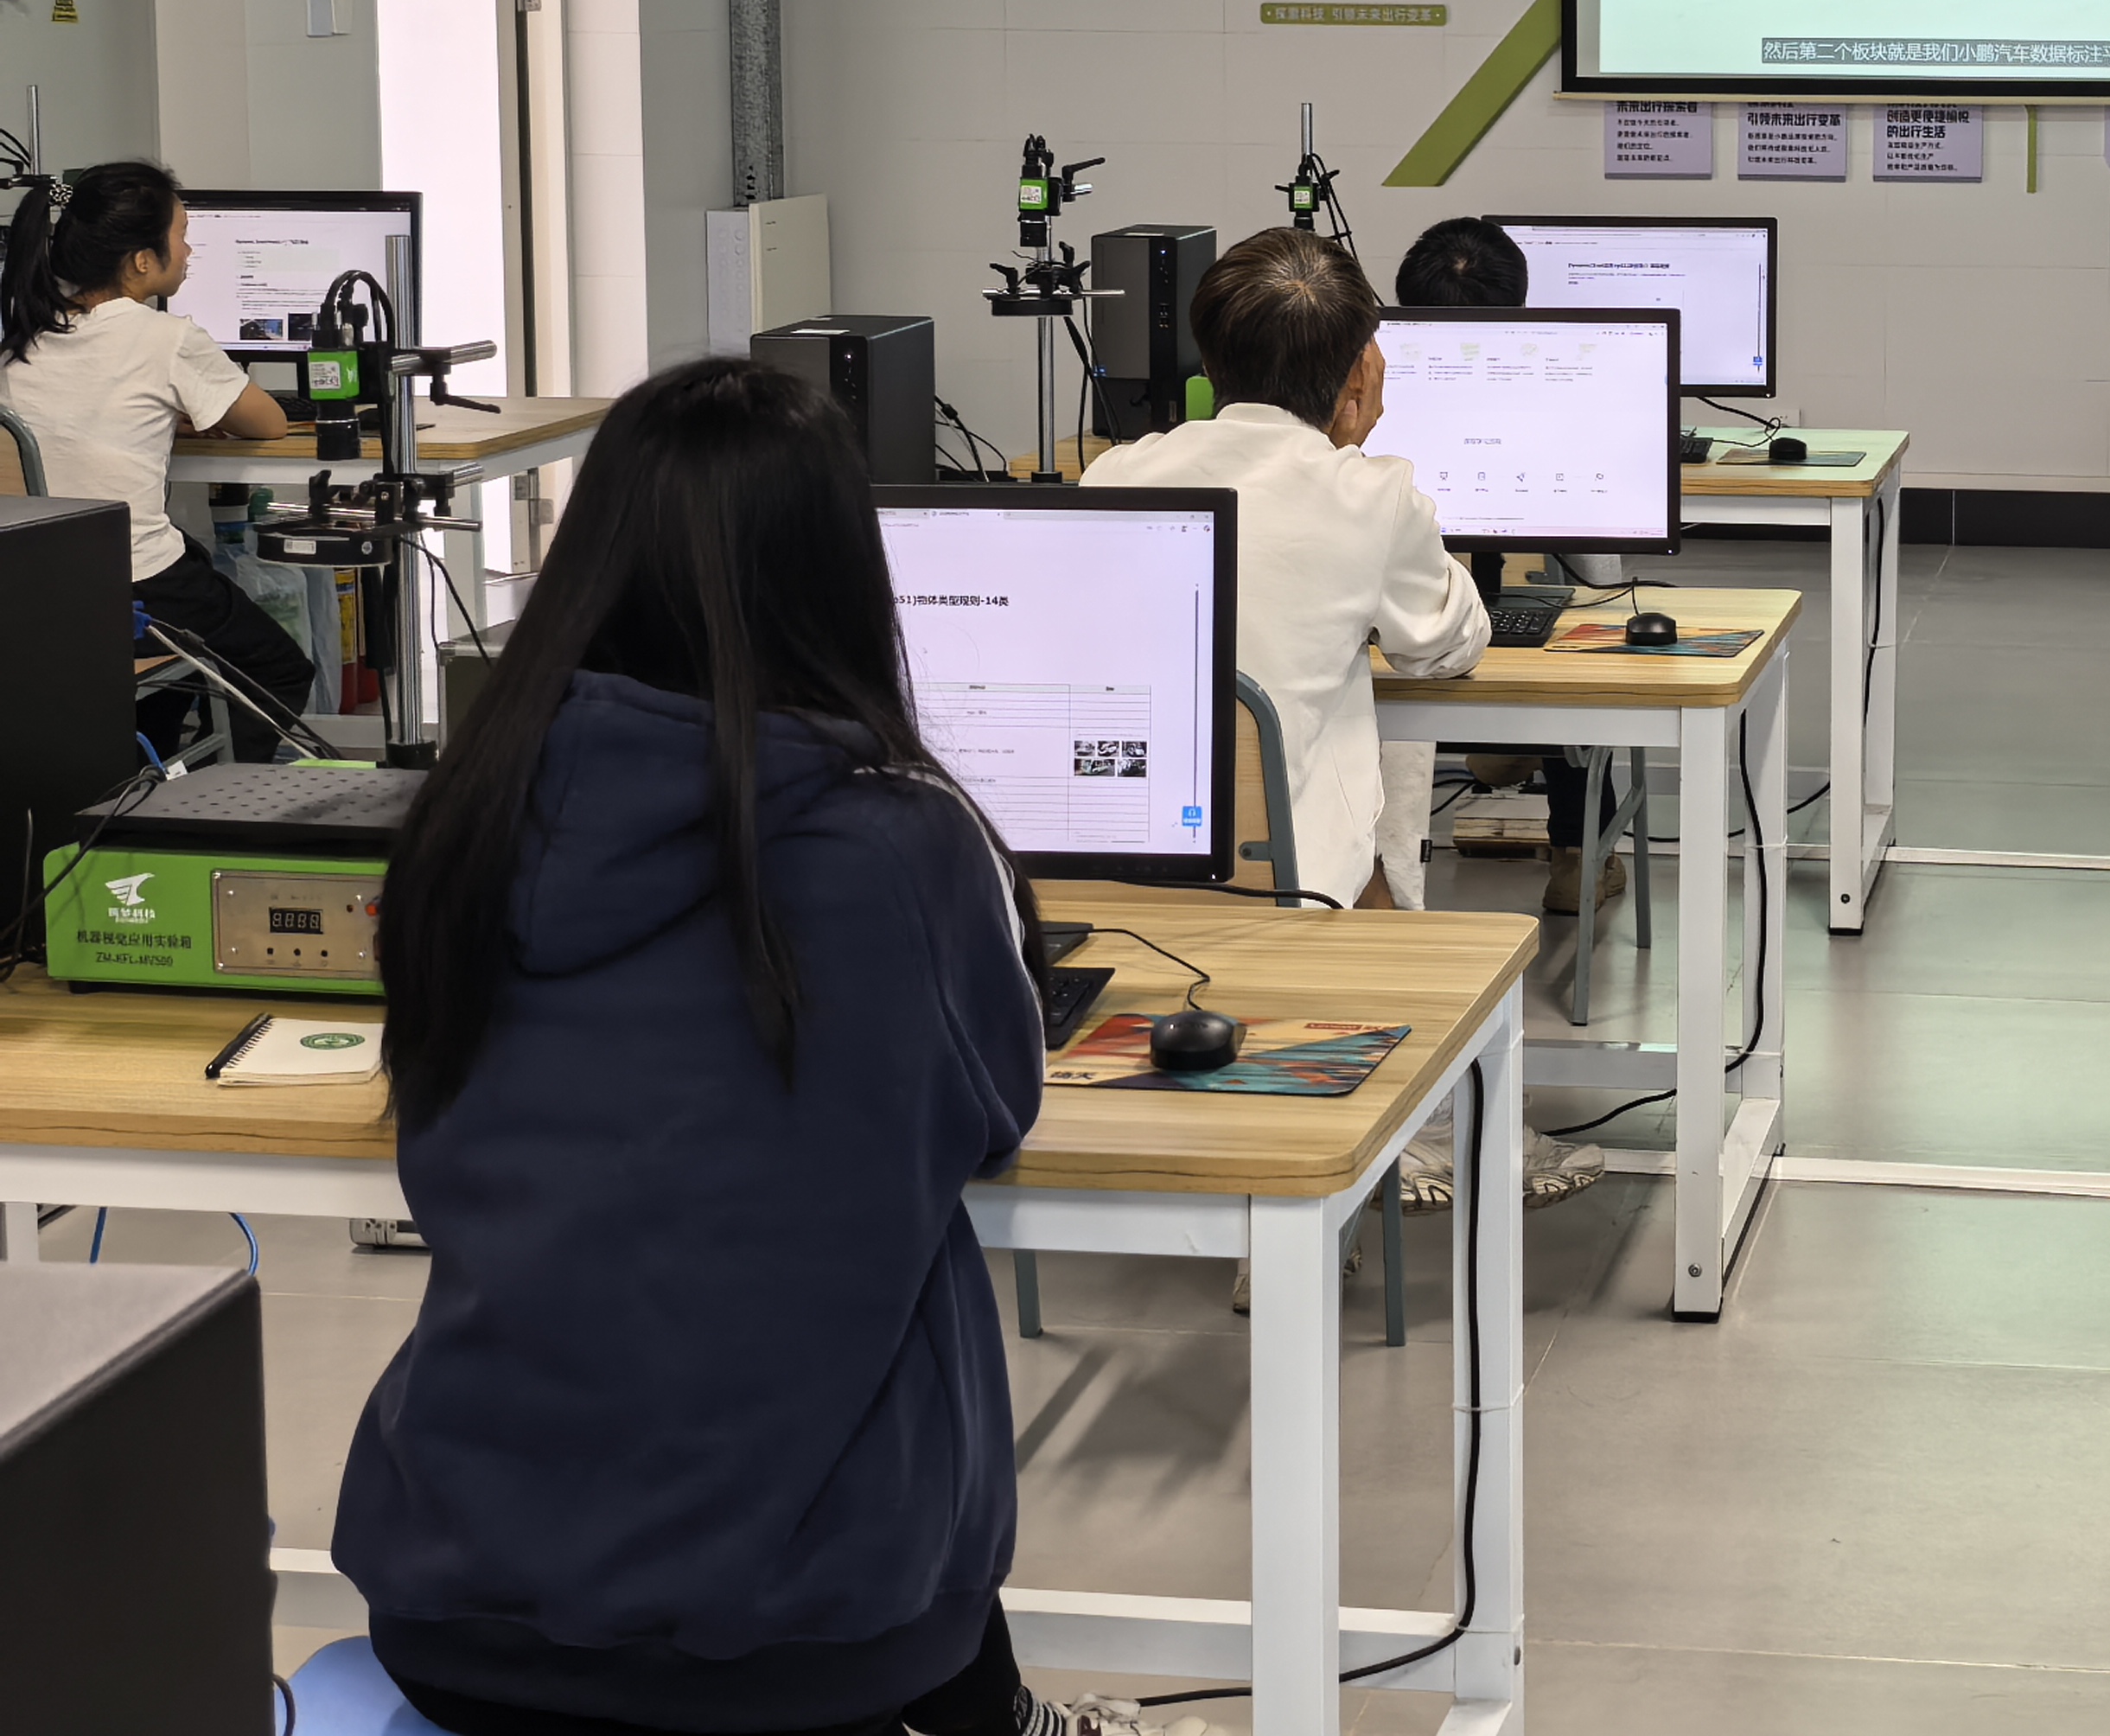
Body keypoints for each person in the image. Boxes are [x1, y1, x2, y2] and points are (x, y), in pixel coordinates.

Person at [335, 360, 1175, 1736]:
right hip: (806, 1639)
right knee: (894, 1311)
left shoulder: (468, 819)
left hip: (454, 1603)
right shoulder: (901, 843)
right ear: (840, 571)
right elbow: (996, 1109)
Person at [1084, 227, 1486, 909]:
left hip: (1118, 868)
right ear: (1360, 372)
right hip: (1292, 884)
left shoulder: (1113, 476)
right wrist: (1348, 454)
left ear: (1208, 362)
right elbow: (1449, 646)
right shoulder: (1371, 496)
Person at [0, 161, 314, 756]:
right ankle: (225, 798)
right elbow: (270, 423)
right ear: (142, 260)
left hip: (35, 588)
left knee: (192, 585)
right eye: (182, 235)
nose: (189, 251)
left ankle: (156, 767)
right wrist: (196, 406)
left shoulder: (22, 342)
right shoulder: (168, 340)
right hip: (135, 584)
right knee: (278, 667)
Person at [1388, 214, 1623, 921]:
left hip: (1397, 638)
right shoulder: (1562, 382)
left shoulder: (1375, 386)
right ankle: (1578, 855)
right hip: (1523, 631)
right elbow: (1598, 568)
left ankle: (1499, 746)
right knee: (1588, 659)